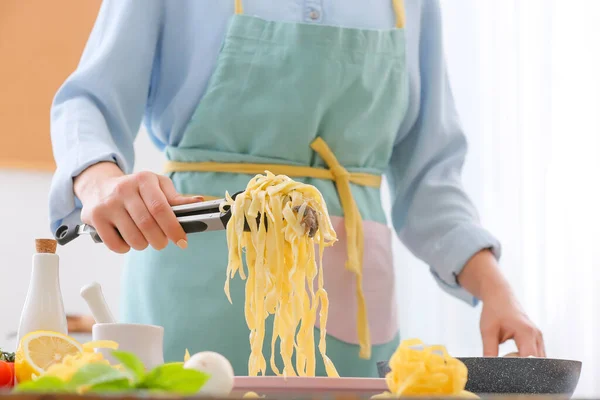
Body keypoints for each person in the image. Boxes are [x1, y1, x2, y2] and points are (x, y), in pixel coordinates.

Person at [49, 0, 544, 377]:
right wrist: (99, 182)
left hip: (352, 302)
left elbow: (430, 176)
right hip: (193, 279)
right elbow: (87, 102)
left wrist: (496, 290)